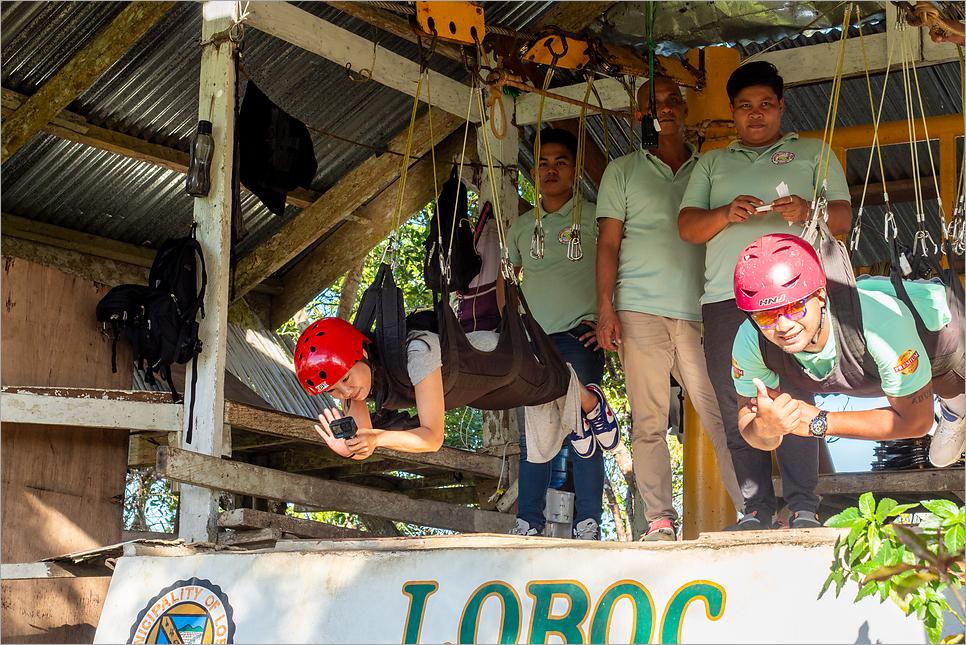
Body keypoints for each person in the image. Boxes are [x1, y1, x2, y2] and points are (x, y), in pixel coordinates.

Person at [678, 61, 853, 531]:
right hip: (726, 301)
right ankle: (755, 508)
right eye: (744, 107)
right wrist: (723, 215)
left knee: (795, 395)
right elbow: (688, 227)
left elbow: (842, 220)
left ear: (781, 108)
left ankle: (802, 507)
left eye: (765, 106)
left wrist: (807, 209)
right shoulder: (712, 162)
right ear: (733, 112)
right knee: (742, 403)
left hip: (794, 301)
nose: (755, 115)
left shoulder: (814, 152)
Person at [595, 76, 744, 541]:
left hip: (702, 312)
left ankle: (753, 509)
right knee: (649, 421)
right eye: (655, 103)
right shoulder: (620, 170)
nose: (666, 108)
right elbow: (607, 245)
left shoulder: (710, 168)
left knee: (727, 411)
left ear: (685, 109)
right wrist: (605, 307)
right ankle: (660, 521)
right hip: (639, 309)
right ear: (640, 115)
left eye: (674, 100)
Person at [731, 233, 965, 468]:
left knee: (949, 381)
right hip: (913, 365)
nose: (783, 326)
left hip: (950, 339)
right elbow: (751, 428)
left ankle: (956, 407)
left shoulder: (881, 325)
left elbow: (916, 423)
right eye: (766, 315)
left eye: (794, 307)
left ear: (820, 295)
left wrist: (819, 421)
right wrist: (765, 428)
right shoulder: (753, 340)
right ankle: (956, 410)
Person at [501, 127, 618, 541]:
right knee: (532, 434)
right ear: (533, 173)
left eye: (561, 162)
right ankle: (527, 522)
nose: (551, 171)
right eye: (543, 164)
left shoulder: (594, 216)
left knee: (584, 426)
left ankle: (589, 523)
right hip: (532, 346)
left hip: (578, 338)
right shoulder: (520, 227)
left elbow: (618, 268)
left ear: (574, 170)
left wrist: (608, 316)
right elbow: (505, 282)